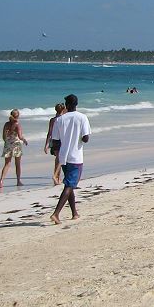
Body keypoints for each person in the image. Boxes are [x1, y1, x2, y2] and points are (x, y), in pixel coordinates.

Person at [50, 94, 91, 225]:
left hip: (64, 157)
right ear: (76, 104)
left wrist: (57, 151)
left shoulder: (59, 120)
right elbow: (86, 138)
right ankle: (56, 213)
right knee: (69, 185)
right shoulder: (82, 117)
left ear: (66, 105)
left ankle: (74, 212)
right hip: (76, 156)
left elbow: (55, 141)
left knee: (69, 184)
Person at [1, 109, 28, 188]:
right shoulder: (17, 124)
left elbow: (3, 137)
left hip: (8, 144)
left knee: (7, 164)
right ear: (18, 116)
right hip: (16, 145)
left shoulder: (6, 124)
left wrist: (7, 141)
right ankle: (18, 181)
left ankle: (1, 181)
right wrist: (24, 140)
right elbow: (20, 136)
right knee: (17, 164)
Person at [45, 102, 66, 185]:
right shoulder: (63, 119)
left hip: (54, 141)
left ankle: (58, 178)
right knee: (60, 159)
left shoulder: (52, 120)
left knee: (57, 159)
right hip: (61, 140)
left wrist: (46, 144)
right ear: (63, 110)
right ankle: (56, 176)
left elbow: (49, 133)